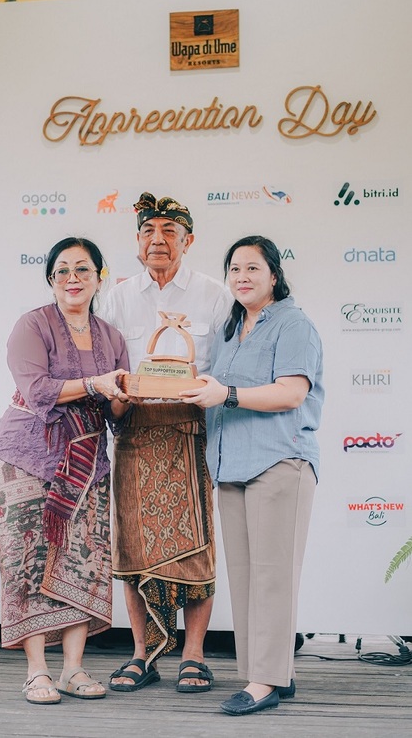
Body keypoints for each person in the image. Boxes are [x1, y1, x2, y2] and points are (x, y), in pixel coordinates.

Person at [181, 235, 324, 716]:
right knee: (246, 578)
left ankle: (264, 683)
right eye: (234, 269)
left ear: (274, 275)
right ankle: (273, 671)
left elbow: (291, 393)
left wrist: (227, 394)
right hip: (231, 466)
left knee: (272, 578)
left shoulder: (293, 324)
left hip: (279, 462)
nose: (241, 277)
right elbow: (214, 385)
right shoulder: (231, 326)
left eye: (252, 268)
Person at [0, 236, 130, 705]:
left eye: (83, 269)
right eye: (63, 270)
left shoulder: (112, 337)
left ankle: (73, 669)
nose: (73, 278)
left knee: (82, 562)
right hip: (26, 456)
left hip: (88, 461)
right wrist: (95, 384)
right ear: (51, 279)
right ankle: (37, 672)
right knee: (27, 560)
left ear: (99, 277)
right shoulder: (32, 325)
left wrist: (124, 396)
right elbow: (37, 390)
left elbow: (117, 412)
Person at [102, 192, 233, 693]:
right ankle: (143, 654)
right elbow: (107, 370)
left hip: (190, 432)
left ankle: (193, 655)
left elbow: (230, 365)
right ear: (137, 241)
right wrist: (119, 392)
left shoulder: (214, 295)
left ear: (188, 240)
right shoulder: (116, 298)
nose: (158, 240)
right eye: (148, 231)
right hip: (134, 433)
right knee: (133, 548)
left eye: (169, 232)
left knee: (196, 547)